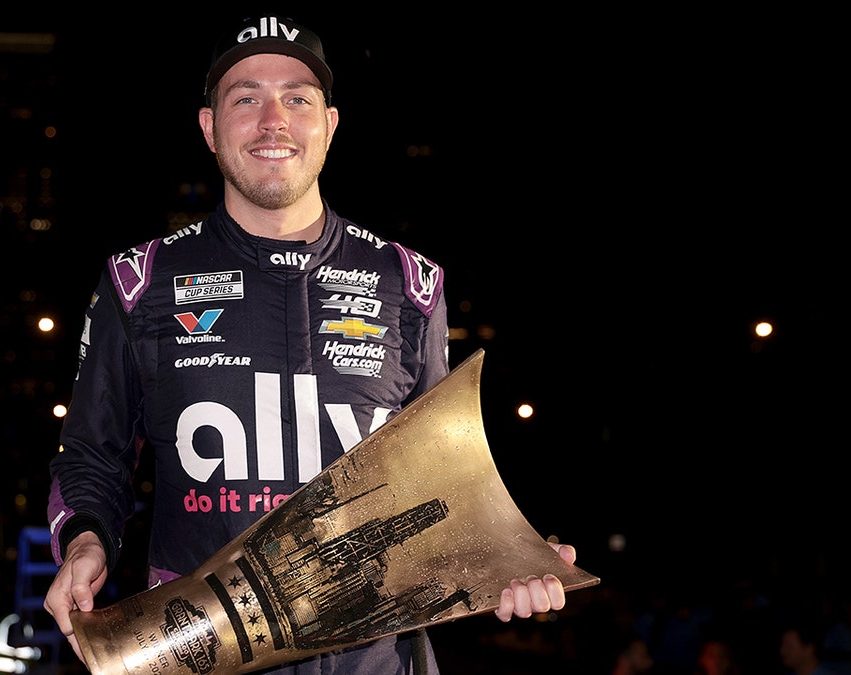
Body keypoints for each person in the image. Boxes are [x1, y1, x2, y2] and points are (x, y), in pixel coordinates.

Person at [43, 12, 581, 673]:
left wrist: (501, 560)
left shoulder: (411, 284)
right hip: (196, 655)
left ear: (328, 124)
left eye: (297, 98)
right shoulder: (140, 282)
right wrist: (83, 544)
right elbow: (91, 456)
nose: (274, 121)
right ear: (210, 128)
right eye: (245, 99)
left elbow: (444, 489)